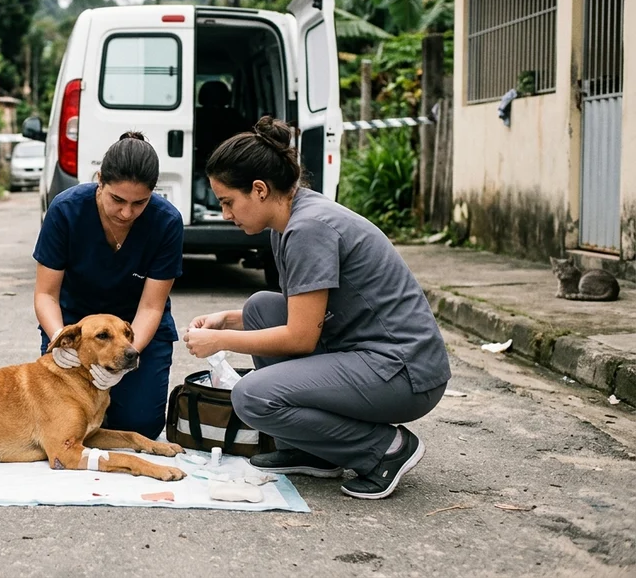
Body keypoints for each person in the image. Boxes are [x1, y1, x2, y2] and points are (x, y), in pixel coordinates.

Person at [183, 116, 450, 500]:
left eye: (228, 202)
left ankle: (384, 450)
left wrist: (220, 341)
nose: (225, 214)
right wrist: (228, 320)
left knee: (251, 397)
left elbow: (301, 337)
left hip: (405, 372)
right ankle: (316, 450)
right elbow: (305, 310)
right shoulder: (289, 221)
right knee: (259, 308)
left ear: (259, 190)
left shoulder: (308, 229)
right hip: (368, 353)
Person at [32, 131, 184, 440]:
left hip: (135, 331)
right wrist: (62, 338)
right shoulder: (65, 210)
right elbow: (46, 294)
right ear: (100, 180)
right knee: (64, 423)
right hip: (76, 329)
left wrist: (127, 355)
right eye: (118, 200)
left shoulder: (166, 222)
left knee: (139, 426)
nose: (127, 213)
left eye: (139, 203)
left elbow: (151, 306)